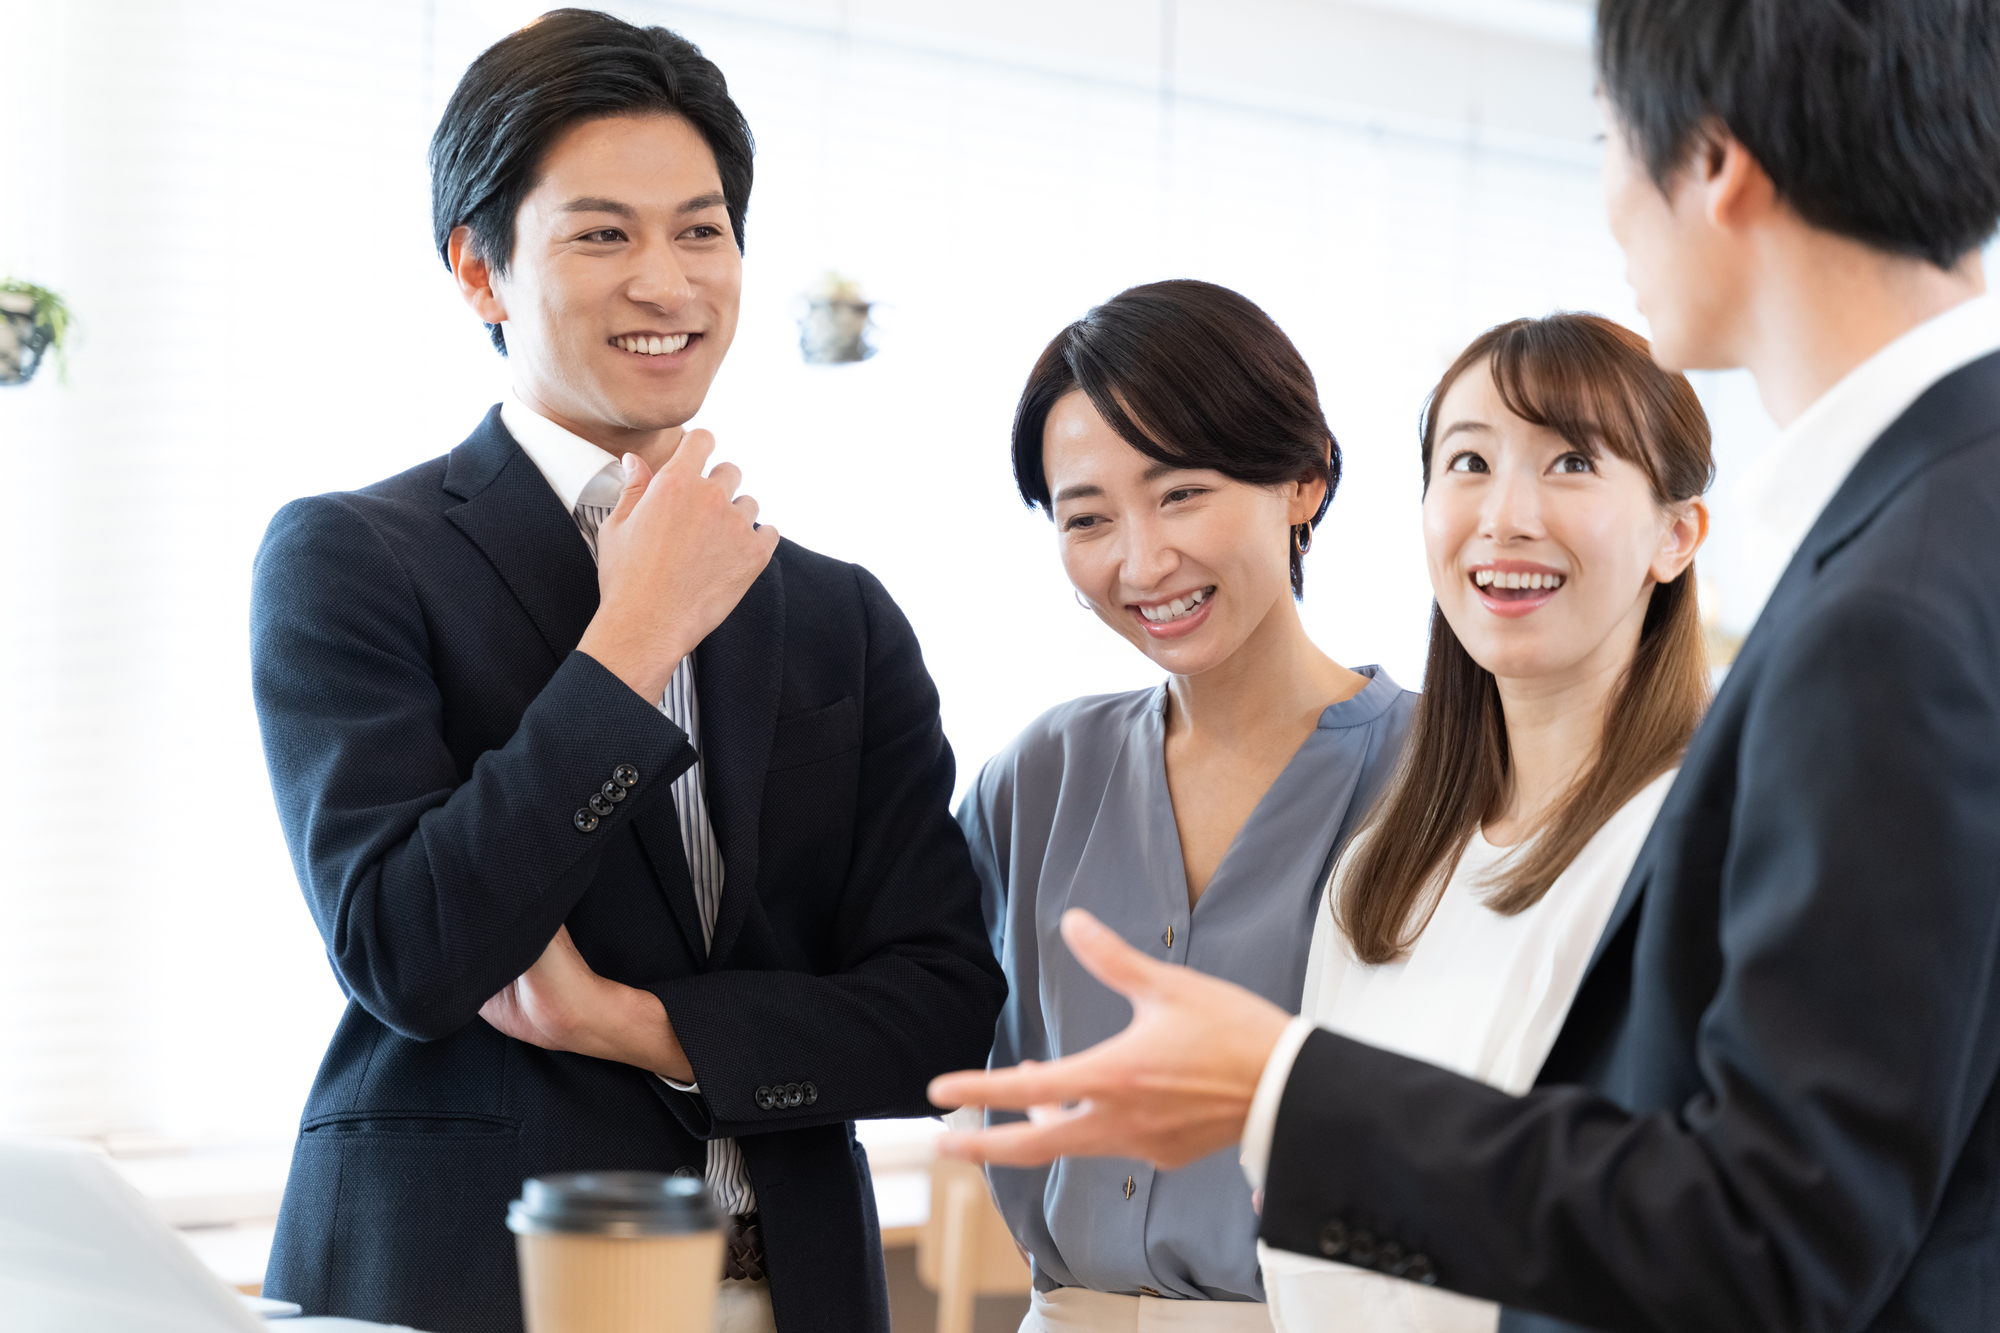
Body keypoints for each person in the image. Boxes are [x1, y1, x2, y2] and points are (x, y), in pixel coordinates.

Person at [927, 0, 2000, 1328]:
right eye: (1470, 464)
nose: (1610, 205)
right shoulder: (1930, 531)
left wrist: (1279, 1089)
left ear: (1712, 161)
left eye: (1608, 139)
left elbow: (1770, 1230)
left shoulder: (1892, 600)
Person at [249, 13, 1004, 1333]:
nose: (668, 282)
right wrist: (629, 644)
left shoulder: (840, 615)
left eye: (702, 231)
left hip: (794, 1290)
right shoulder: (352, 557)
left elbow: (941, 1013)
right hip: (481, 1284)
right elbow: (408, 950)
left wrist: (644, 1024)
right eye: (603, 234)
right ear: (478, 271)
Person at [960, 280, 1416, 1330]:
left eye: (1180, 494)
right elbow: (892, 996)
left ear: (1303, 481)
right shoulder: (1034, 776)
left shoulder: (1447, 773)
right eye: (1087, 518)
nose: (1141, 560)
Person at [1256, 312, 1709, 1333]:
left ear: (1673, 534)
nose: (1504, 516)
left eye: (1570, 462)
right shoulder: (1383, 868)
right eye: (1467, 461)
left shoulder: (1687, 850)